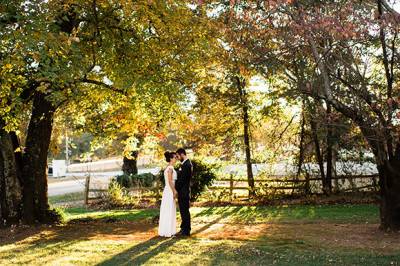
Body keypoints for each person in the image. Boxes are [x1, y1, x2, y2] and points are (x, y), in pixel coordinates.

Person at [158, 151, 178, 237]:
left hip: (168, 190)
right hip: (169, 190)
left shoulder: (169, 167)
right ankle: (168, 231)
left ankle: (168, 230)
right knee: (169, 209)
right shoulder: (170, 168)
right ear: (170, 158)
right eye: (174, 157)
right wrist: (174, 191)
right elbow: (170, 181)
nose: (176, 159)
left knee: (169, 209)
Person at [175, 148, 193, 237]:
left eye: (178, 156)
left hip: (184, 192)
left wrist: (175, 189)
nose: (177, 158)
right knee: (183, 211)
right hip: (182, 191)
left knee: (185, 211)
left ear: (182, 154)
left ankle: (186, 231)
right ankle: (183, 228)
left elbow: (182, 180)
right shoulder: (183, 164)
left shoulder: (187, 165)